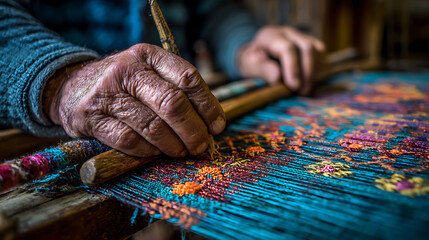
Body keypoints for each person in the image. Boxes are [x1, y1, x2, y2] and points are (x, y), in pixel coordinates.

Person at [0, 0, 325, 158]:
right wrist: (61, 83)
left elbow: (212, 8)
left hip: (172, 133)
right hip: (38, 135)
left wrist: (243, 46)